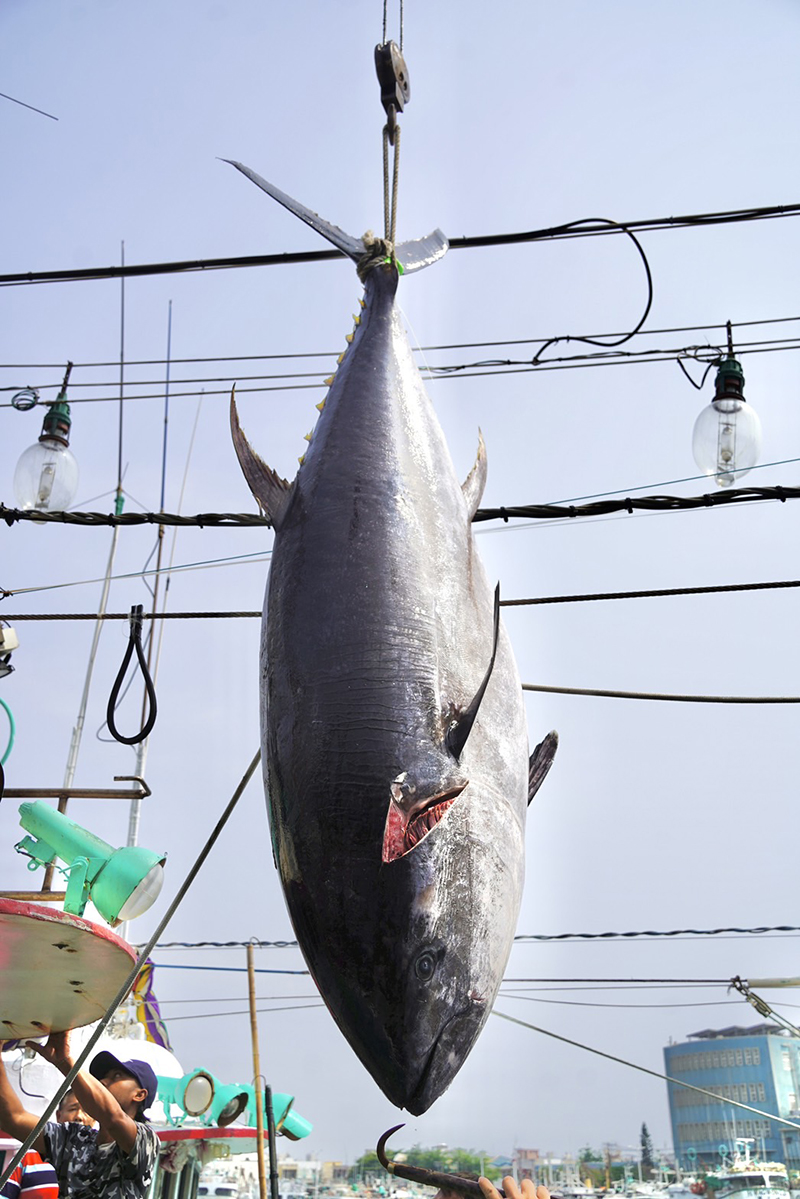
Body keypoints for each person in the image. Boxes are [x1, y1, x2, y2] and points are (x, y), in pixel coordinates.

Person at [0, 1032, 159, 1199]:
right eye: (103, 1077)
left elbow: (113, 1117)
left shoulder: (145, 1140)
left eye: (117, 1076)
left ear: (139, 1095)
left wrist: (65, 1062)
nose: (103, 1081)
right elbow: (12, 1119)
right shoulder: (75, 1138)